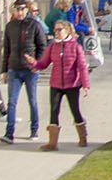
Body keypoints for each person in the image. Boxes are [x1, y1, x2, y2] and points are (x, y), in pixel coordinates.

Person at [32, 18, 91, 150]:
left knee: (75, 110)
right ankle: (52, 143)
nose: (57, 32)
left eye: (60, 29)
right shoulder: (53, 46)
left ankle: (83, 137)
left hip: (72, 84)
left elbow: (82, 67)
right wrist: (34, 63)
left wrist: (86, 84)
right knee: (54, 111)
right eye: (55, 30)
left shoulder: (76, 47)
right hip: (56, 84)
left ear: (67, 30)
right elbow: (44, 63)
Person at [0, 0, 48, 144]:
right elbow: (6, 49)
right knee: (12, 102)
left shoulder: (34, 25)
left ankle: (34, 129)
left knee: (32, 100)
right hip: (14, 68)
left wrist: (37, 64)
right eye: (17, 9)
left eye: (22, 9)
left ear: (26, 10)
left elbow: (42, 46)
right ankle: (9, 133)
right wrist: (4, 69)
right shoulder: (10, 26)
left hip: (30, 70)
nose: (19, 12)